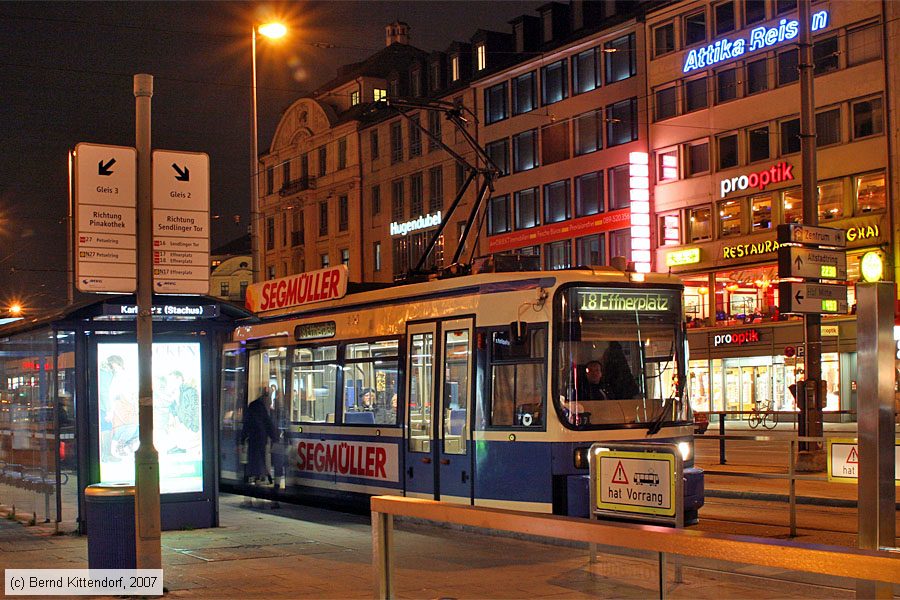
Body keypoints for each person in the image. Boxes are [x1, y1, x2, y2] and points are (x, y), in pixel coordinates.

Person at [241, 387, 277, 484]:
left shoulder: (253, 405)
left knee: (254, 458)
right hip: (261, 438)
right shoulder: (262, 407)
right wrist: (274, 437)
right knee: (261, 457)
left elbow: (246, 423)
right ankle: (261, 476)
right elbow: (268, 423)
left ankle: (254, 476)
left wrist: (242, 438)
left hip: (253, 437)